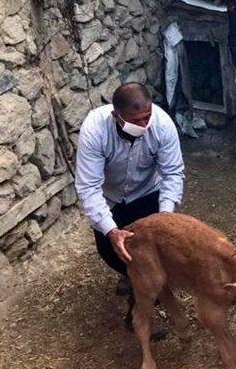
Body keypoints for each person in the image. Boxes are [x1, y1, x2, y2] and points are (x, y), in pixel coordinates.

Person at [75, 82, 185, 335]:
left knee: (154, 259)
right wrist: (111, 231)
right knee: (111, 252)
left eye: (147, 117)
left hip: (147, 192)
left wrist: (165, 216)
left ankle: (137, 314)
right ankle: (132, 275)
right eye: (136, 120)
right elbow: (89, 187)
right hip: (110, 198)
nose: (144, 125)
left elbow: (172, 173)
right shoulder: (95, 129)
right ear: (117, 116)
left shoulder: (162, 125)